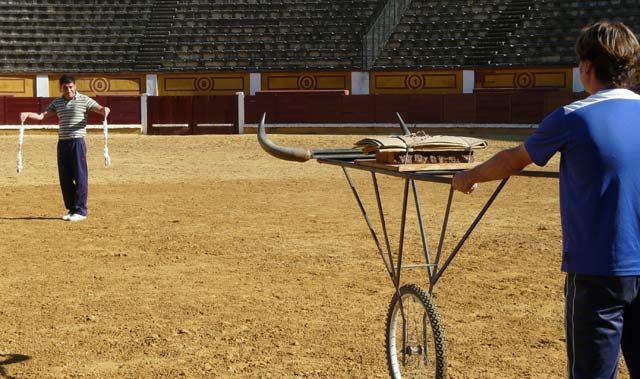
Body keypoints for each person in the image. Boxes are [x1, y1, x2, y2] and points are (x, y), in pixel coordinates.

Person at [453, 21, 640, 379]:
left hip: (598, 270)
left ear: (586, 68)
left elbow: (513, 160)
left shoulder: (573, 117)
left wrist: (469, 176)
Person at [20, 74, 110, 222]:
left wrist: (105, 110)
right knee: (65, 177)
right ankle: (72, 209)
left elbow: (100, 109)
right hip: (62, 143)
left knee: (80, 176)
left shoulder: (84, 100)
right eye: (65, 87)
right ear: (61, 88)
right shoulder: (57, 103)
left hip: (77, 143)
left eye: (71, 86)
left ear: (75, 86)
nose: (68, 89)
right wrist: (28, 114)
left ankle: (81, 210)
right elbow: (42, 116)